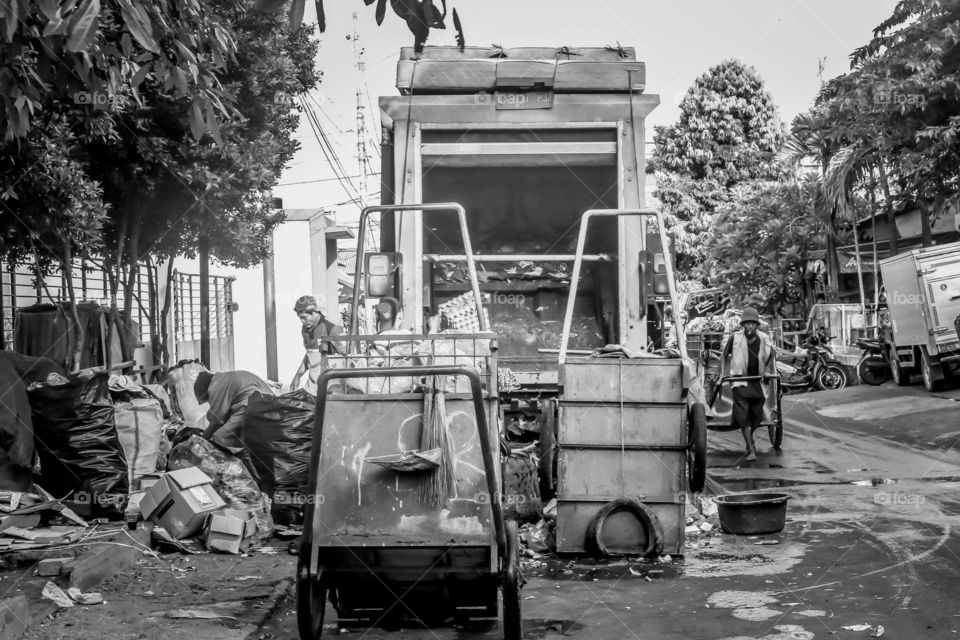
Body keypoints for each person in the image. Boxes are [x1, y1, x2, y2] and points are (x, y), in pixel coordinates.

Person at [722, 308, 778, 462]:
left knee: (757, 417)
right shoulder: (735, 338)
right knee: (743, 417)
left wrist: (767, 369)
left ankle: (750, 439)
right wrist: (724, 373)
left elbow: (773, 353)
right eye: (747, 324)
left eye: (753, 324)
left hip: (758, 382)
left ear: (757, 325)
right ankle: (751, 449)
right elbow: (725, 356)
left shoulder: (764, 338)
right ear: (743, 325)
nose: (750, 327)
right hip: (740, 382)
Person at [194, 369, 274, 452]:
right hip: (272, 405)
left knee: (220, 437)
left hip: (252, 406)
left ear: (206, 391)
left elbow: (216, 420)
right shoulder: (224, 377)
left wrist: (201, 441)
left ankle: (234, 463)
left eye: (207, 399)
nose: (210, 401)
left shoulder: (215, 386)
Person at [290, 295, 343, 392]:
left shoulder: (330, 327)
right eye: (300, 318)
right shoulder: (305, 330)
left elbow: (346, 356)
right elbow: (310, 356)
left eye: (304, 317)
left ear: (314, 312)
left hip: (331, 390)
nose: (302, 321)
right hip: (313, 390)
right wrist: (297, 377)